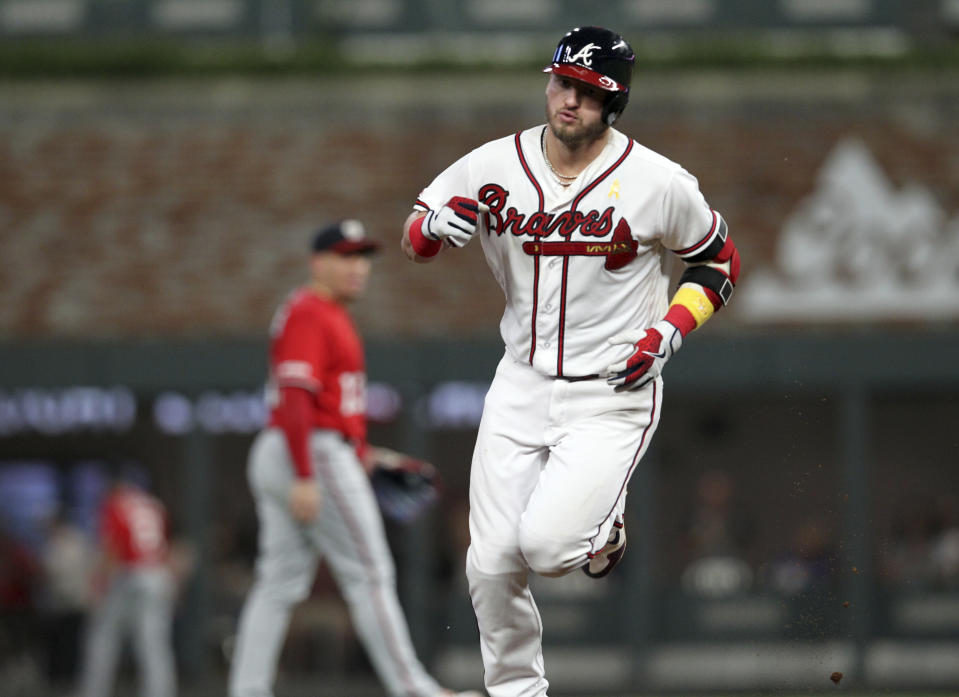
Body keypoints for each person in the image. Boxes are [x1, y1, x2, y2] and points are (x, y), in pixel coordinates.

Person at [401, 26, 741, 697]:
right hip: (520, 380)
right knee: (490, 560)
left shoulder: (657, 181)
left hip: (612, 389)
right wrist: (434, 229)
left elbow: (718, 260)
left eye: (588, 93)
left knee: (549, 549)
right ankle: (516, 690)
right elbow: (415, 229)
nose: (569, 100)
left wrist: (672, 327)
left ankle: (603, 523)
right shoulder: (496, 162)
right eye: (562, 83)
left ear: (612, 105)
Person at [228, 220, 481, 697]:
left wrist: (362, 454)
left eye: (363, 257)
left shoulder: (324, 313)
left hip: (300, 447)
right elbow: (297, 396)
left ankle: (247, 689)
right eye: (345, 256)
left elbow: (323, 401)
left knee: (278, 582)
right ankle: (415, 690)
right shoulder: (311, 312)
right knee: (370, 574)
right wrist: (306, 473)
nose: (358, 267)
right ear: (316, 262)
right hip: (309, 450)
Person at [77, 470, 177, 697]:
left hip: (128, 575)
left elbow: (112, 547)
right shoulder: (153, 505)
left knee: (103, 636)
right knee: (153, 643)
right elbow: (165, 547)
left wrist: (99, 582)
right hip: (157, 575)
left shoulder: (116, 504)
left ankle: (93, 692)